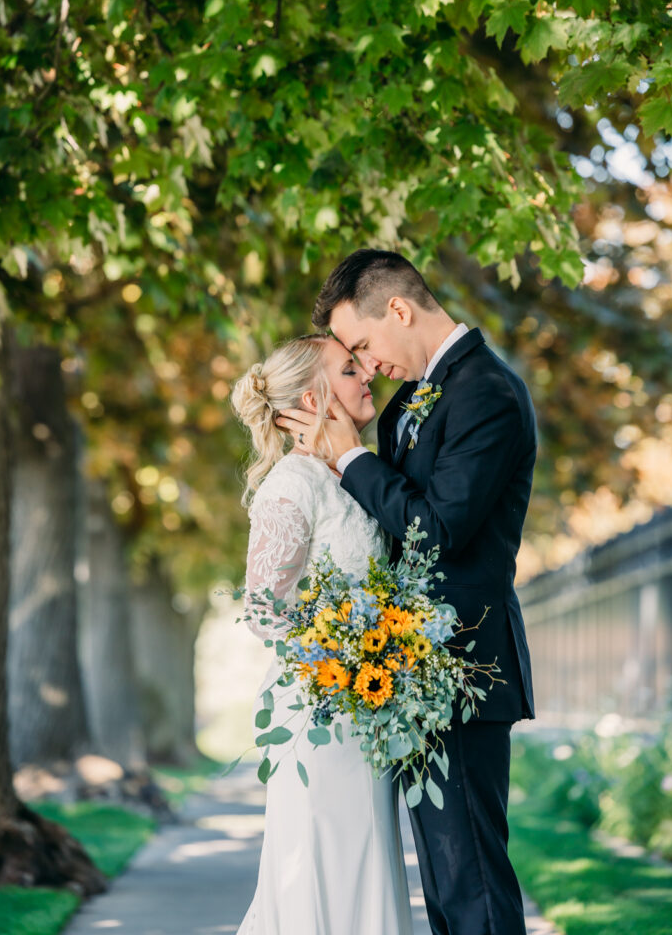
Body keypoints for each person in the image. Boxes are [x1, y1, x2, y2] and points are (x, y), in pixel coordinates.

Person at [276, 249, 536, 935]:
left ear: (398, 309)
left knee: (472, 882)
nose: (365, 365)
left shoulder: (486, 393)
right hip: (413, 672)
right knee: (447, 890)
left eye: (361, 345)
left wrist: (351, 457)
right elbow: (380, 521)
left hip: (463, 668)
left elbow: (436, 528)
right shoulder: (414, 401)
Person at [230, 333, 413, 935]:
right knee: (320, 864)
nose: (368, 376)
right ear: (313, 398)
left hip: (368, 710)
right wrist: (342, 659)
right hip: (320, 711)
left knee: (368, 862)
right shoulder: (292, 485)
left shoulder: (356, 475)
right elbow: (263, 608)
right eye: (349, 368)